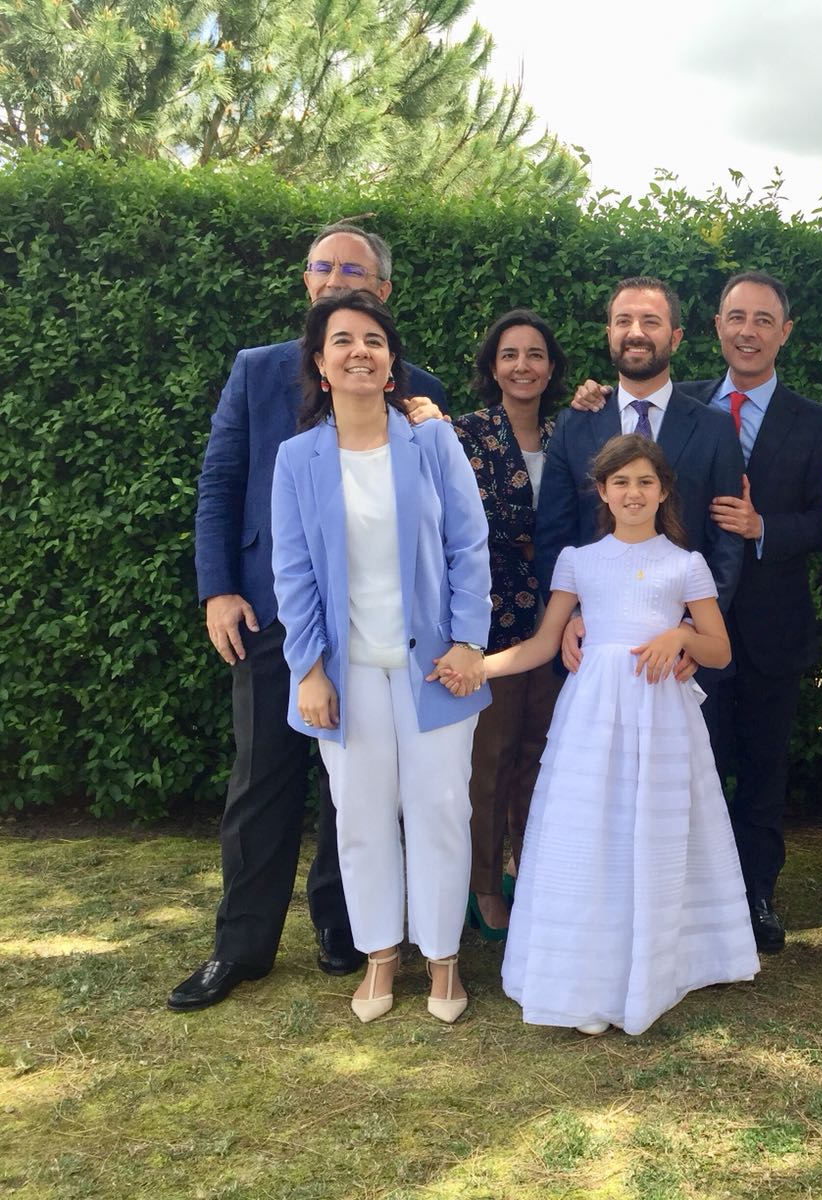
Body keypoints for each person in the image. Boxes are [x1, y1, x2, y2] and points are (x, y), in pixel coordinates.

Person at [174, 223, 449, 1012]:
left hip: (373, 620)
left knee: (354, 788)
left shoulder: (416, 386)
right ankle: (240, 947)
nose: (334, 278)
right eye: (321, 266)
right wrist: (218, 588)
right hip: (270, 612)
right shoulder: (256, 370)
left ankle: (342, 927)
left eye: (352, 270)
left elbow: (441, 510)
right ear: (305, 281)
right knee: (261, 779)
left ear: (383, 291)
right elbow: (220, 482)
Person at [461, 433, 758, 1036]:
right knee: (590, 833)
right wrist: (479, 667)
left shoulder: (686, 565)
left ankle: (654, 965)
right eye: (620, 482)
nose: (633, 493)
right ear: (602, 491)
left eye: (645, 481)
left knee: (651, 832)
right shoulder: (579, 560)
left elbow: (720, 650)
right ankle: (587, 974)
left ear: (664, 490)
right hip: (591, 719)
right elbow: (543, 645)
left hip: (661, 718)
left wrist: (681, 635)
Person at [270, 289, 490, 1024]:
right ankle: (379, 956)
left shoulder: (432, 442)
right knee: (360, 816)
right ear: (320, 362)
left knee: (440, 810)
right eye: (342, 340)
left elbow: (469, 544)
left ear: (393, 363)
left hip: (437, 667)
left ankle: (444, 958)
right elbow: (292, 571)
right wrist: (308, 669)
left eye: (373, 339)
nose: (358, 351)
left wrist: (468, 642)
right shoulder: (296, 459)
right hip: (347, 672)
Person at [673, 272, 822, 954]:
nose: (748, 331)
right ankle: (695, 899)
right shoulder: (679, 405)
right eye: (736, 317)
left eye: (764, 320)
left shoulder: (817, 422)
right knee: (696, 765)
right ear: (717, 325)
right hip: (691, 628)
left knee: (765, 772)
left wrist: (762, 526)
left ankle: (757, 896)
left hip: (773, 626)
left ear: (785, 332)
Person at [451, 310, 569, 938]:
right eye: (510, 355)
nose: (523, 366)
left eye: (535, 355)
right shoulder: (464, 434)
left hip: (560, 617)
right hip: (489, 618)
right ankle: (482, 884)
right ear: (493, 367)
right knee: (489, 758)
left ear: (551, 368)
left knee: (540, 753)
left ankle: (532, 872)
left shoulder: (569, 432)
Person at [534, 277, 743, 612]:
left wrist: (696, 627)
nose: (635, 333)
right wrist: (570, 617)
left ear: (675, 338)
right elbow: (552, 536)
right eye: (623, 321)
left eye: (650, 322)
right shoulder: (573, 426)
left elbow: (726, 542)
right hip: (592, 628)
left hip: (685, 632)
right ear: (609, 334)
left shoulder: (714, 428)